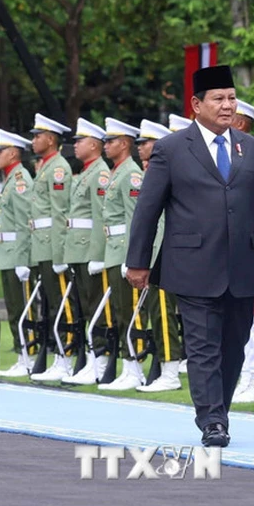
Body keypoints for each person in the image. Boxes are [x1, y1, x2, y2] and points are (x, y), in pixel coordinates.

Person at [125, 64, 254, 448]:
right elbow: (148, 209)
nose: (228, 105)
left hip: (243, 263)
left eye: (231, 98)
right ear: (196, 104)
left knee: (235, 344)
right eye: (219, 99)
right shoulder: (170, 148)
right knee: (202, 346)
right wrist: (138, 261)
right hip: (192, 264)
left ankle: (220, 410)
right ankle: (212, 420)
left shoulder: (250, 148)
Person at [97, 118, 149, 391]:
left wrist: (133, 257)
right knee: (119, 310)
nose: (105, 146)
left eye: (111, 141)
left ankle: (135, 365)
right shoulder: (118, 171)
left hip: (124, 250)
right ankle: (128, 364)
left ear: (125, 143)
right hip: (113, 249)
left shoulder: (131, 174)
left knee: (131, 311)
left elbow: (134, 219)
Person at [134, 119, 185, 393]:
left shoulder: (167, 168)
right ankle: (166, 367)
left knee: (164, 314)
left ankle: (170, 370)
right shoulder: (154, 169)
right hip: (159, 252)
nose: (141, 147)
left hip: (166, 253)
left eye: (146, 142)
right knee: (158, 312)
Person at [61, 119, 112, 386]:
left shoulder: (100, 174)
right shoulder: (86, 172)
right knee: (85, 307)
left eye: (80, 141)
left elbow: (101, 216)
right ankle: (92, 356)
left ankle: (100, 358)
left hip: (89, 250)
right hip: (78, 249)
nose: (75, 145)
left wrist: (98, 254)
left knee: (96, 307)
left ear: (94, 145)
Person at [28, 114, 73, 381]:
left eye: (37, 136)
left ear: (51, 139)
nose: (33, 140)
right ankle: (56, 354)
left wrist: (59, 253)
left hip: (51, 244)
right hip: (41, 244)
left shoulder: (58, 168)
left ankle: (64, 355)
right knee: (49, 303)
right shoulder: (46, 166)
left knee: (60, 304)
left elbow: (59, 214)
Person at [0, 130, 35, 377]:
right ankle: (22, 354)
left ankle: (29, 355)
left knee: (23, 309)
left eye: (0, 151)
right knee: (13, 308)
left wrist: (23, 260)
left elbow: (24, 223)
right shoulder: (10, 179)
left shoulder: (20, 180)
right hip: (7, 252)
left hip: (17, 253)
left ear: (13, 153)